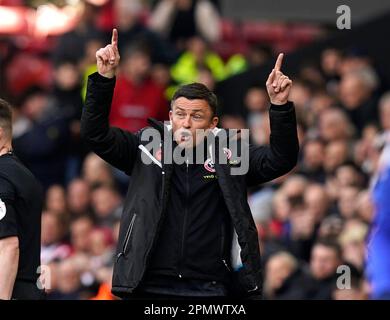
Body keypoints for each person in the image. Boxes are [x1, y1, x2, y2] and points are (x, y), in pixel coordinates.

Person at [81, 29, 299, 299]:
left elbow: (281, 159)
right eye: (180, 115)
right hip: (148, 282)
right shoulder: (146, 148)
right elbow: (95, 134)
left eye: (196, 116)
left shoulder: (231, 154)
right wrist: (104, 79)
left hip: (210, 286)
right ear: (170, 117)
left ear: (213, 124)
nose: (186, 123)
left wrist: (279, 106)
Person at [0, 98, 45, 300]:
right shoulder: (24, 174)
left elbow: (8, 246)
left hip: (11, 290)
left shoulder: (1, 175)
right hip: (30, 288)